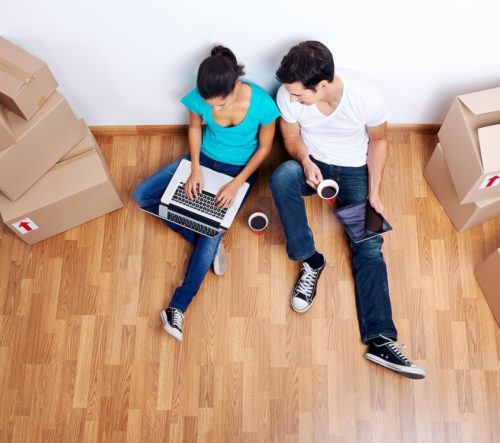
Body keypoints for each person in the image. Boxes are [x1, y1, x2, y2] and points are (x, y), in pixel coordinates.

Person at [270, 41, 426, 378]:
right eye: (291, 95)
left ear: (322, 85)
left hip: (354, 170)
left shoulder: (366, 97)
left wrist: (374, 193)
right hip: (314, 165)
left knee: (369, 247)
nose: (292, 100)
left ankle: (381, 340)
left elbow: (380, 142)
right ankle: (311, 260)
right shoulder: (289, 94)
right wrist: (305, 160)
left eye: (299, 96)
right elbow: (291, 135)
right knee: (282, 176)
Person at [134, 46, 280, 341]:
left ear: (236, 86)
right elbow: (194, 128)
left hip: (238, 172)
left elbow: (265, 148)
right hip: (203, 160)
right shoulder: (198, 98)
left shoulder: (262, 104)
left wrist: (237, 183)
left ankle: (178, 307)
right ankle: (207, 242)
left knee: (211, 233)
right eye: (208, 104)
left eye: (221, 103)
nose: (215, 110)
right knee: (142, 196)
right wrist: (195, 168)